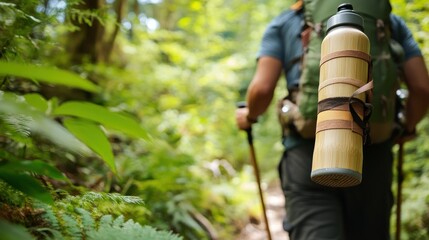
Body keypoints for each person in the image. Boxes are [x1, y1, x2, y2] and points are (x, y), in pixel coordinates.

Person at [235, 1, 429, 239]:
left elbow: (263, 89)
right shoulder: (389, 22)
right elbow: (421, 88)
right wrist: (407, 127)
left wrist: (249, 115)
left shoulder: (286, 22)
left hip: (307, 156)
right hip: (373, 155)